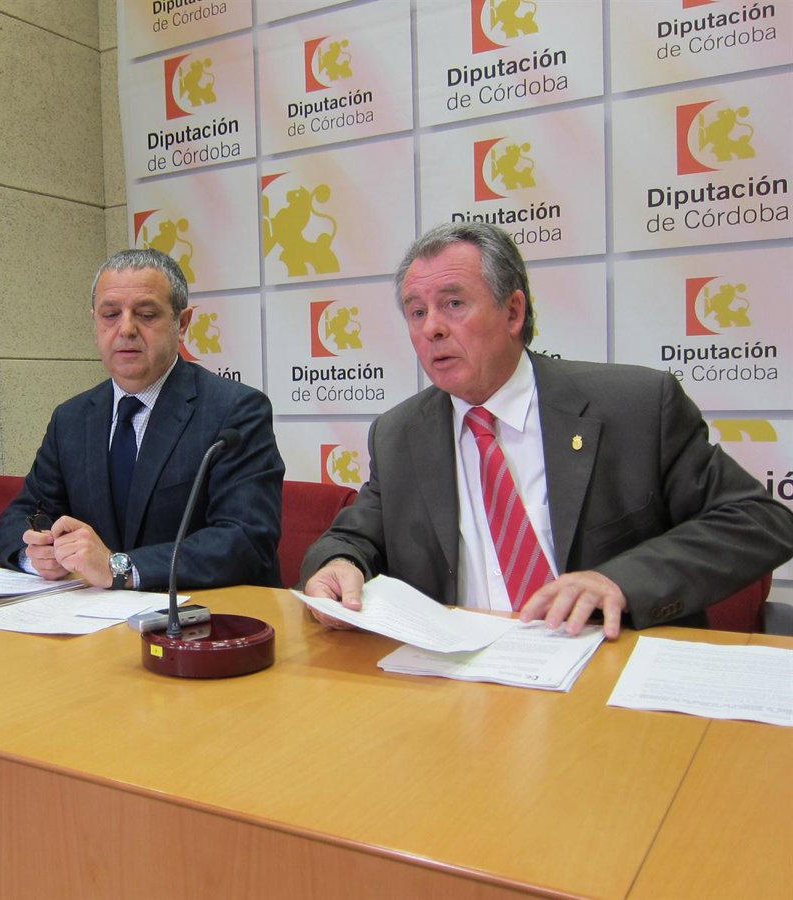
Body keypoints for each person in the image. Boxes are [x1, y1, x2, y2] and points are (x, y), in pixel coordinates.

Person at [301, 222, 793, 637]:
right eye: (417, 312)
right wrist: (339, 564)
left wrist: (620, 582)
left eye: (453, 304)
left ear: (513, 312)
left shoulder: (636, 407)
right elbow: (354, 537)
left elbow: (757, 520)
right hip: (458, 679)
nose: (431, 328)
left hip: (605, 666)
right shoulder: (400, 434)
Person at [0, 248, 284, 590]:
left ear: (182, 323)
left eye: (146, 314)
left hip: (200, 611)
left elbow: (245, 539)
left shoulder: (235, 410)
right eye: (110, 315)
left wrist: (121, 568)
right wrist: (35, 555)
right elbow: (21, 515)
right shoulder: (71, 418)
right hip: (92, 613)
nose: (126, 329)